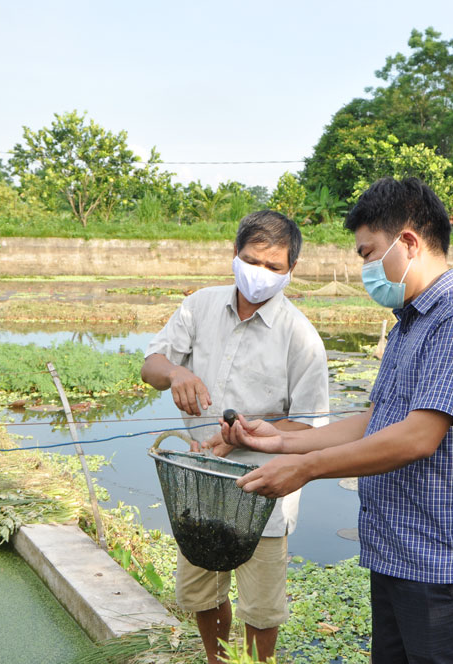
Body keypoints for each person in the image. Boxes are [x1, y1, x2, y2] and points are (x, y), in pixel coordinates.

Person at [216, 177, 453, 663]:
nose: (366, 268)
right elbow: (374, 420)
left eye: (369, 253)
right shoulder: (409, 324)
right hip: (394, 550)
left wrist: (307, 470)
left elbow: (417, 437)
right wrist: (279, 443)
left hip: (439, 560)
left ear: (409, 243)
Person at [140, 210, 329, 664]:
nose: (260, 273)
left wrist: (241, 437)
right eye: (251, 260)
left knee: (261, 608)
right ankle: (216, 660)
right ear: (234, 255)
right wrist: (176, 371)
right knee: (203, 590)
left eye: (274, 267)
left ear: (291, 271)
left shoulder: (301, 337)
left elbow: (311, 428)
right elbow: (151, 364)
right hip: (200, 482)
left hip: (265, 488)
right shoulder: (200, 306)